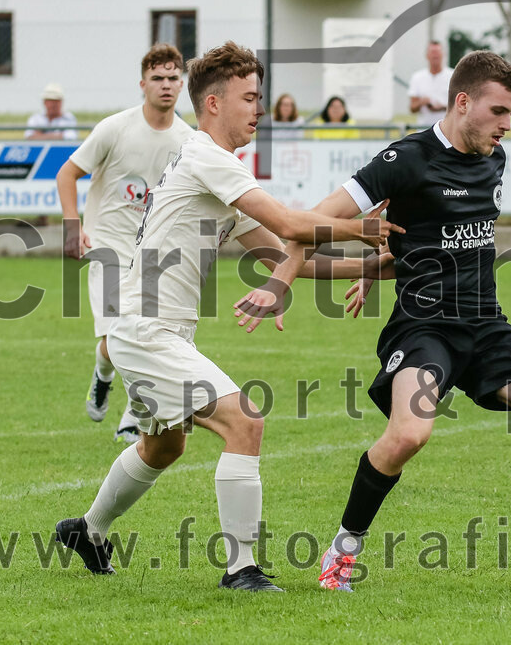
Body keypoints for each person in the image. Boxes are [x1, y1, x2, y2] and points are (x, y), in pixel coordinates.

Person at [234, 51, 511, 593]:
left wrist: (378, 261)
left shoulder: (495, 157)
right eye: (498, 111)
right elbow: (311, 223)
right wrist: (282, 282)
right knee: (409, 435)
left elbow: (428, 231)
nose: (506, 125)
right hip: (424, 327)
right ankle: (341, 552)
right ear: (463, 102)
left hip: (486, 325)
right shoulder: (405, 158)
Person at [53, 41, 403, 591]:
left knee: (163, 446)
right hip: (146, 329)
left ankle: (88, 531)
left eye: (260, 97)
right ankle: (241, 569)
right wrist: (363, 226)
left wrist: (375, 265)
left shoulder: (213, 168)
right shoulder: (206, 157)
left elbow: (278, 254)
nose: (259, 108)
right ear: (213, 103)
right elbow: (291, 225)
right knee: (245, 420)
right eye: (249, 97)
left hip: (147, 330)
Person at [56, 44, 193, 443]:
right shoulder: (114, 128)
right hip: (107, 247)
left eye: (172, 78)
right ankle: (103, 378)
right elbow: (68, 174)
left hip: (154, 256)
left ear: (182, 84)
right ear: (142, 83)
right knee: (118, 334)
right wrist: (71, 224)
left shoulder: (188, 141)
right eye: (158, 78)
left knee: (148, 336)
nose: (166, 86)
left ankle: (132, 417)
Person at [407, 41, 453, 127]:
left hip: (447, 130)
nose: (435, 55)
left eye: (438, 52)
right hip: (423, 130)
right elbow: (412, 108)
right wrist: (422, 102)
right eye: (432, 52)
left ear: (443, 54)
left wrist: (442, 107)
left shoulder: (453, 75)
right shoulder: (417, 77)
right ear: (427, 55)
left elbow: (461, 105)